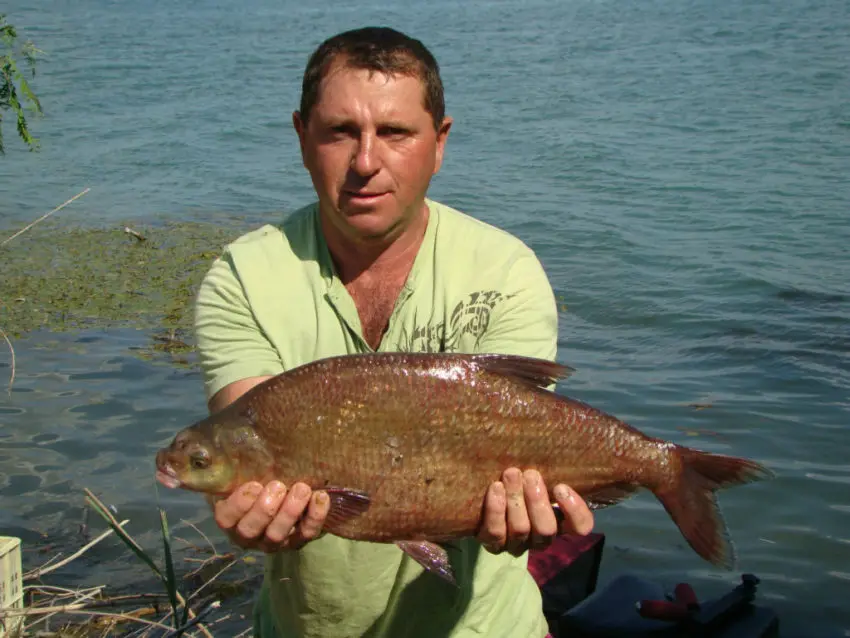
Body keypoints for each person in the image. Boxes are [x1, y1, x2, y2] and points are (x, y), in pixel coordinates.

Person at [194, 26, 595, 638]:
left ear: (440, 142)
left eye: (395, 132)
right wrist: (249, 510)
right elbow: (247, 443)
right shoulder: (243, 276)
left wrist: (528, 509)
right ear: (302, 138)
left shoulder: (505, 269)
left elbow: (527, 437)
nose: (365, 162)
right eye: (339, 132)